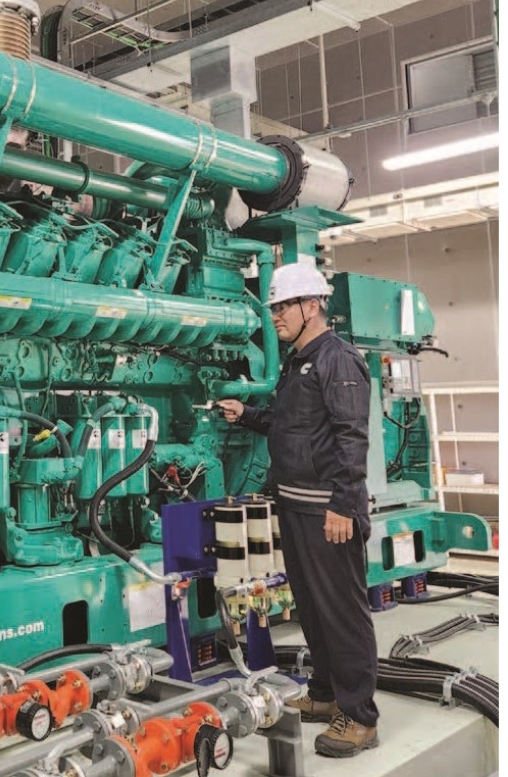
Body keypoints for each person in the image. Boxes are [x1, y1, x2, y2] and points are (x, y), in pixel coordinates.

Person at [216, 261, 380, 758]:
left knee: (342, 613)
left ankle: (360, 717)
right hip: (295, 508)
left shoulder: (338, 359)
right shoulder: (298, 362)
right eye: (274, 307)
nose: (276, 316)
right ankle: (327, 694)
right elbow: (293, 428)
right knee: (312, 608)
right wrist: (246, 415)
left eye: (283, 306)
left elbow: (353, 437)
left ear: (312, 305)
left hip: (328, 513)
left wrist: (344, 505)